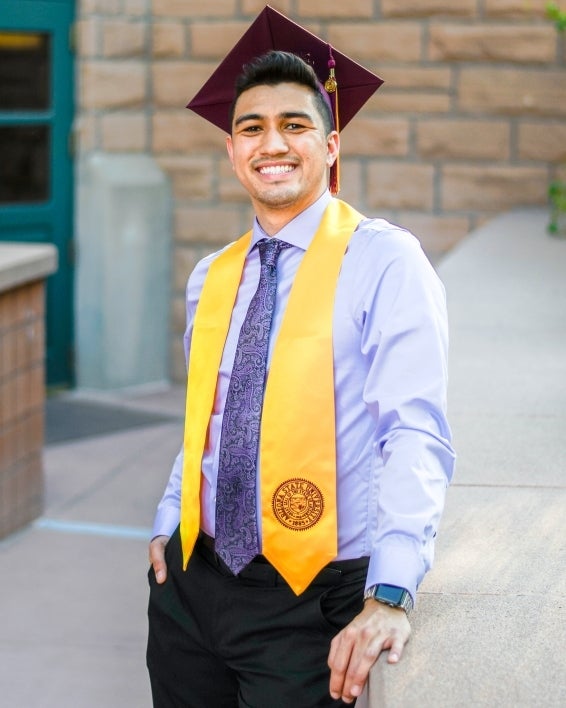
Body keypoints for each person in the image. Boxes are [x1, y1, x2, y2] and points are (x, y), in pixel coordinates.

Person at [147, 7, 455, 707]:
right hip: (191, 595)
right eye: (251, 127)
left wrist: (393, 589)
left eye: (295, 124)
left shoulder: (384, 261)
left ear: (331, 143)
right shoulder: (213, 276)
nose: (271, 142)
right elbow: (208, 419)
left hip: (312, 592)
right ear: (232, 152)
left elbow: (414, 429)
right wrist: (168, 518)